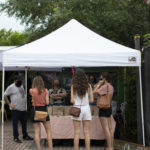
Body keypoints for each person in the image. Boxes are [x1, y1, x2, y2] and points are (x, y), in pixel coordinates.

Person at [4, 75, 33, 143]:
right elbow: (5, 95)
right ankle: (16, 137)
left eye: (21, 80)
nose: (20, 81)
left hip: (23, 108)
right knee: (15, 124)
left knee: (24, 123)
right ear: (14, 81)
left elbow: (23, 95)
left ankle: (25, 135)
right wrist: (9, 104)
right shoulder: (11, 87)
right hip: (15, 109)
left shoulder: (21, 85)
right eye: (18, 81)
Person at [71, 69, 94, 150]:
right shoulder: (89, 86)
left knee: (76, 133)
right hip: (86, 108)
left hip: (77, 108)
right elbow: (91, 100)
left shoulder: (73, 86)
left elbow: (72, 101)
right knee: (86, 132)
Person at [29, 76, 53, 150]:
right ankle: (50, 149)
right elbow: (47, 103)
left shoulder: (31, 90)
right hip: (43, 110)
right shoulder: (46, 90)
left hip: (35, 110)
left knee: (36, 131)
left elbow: (33, 101)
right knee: (48, 131)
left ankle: (38, 149)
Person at [93, 72, 114, 150]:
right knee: (110, 128)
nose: (100, 79)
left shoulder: (105, 86)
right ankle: (111, 146)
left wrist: (99, 84)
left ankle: (109, 147)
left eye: (101, 78)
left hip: (103, 108)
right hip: (109, 107)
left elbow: (94, 91)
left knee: (106, 129)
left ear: (104, 78)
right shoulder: (111, 86)